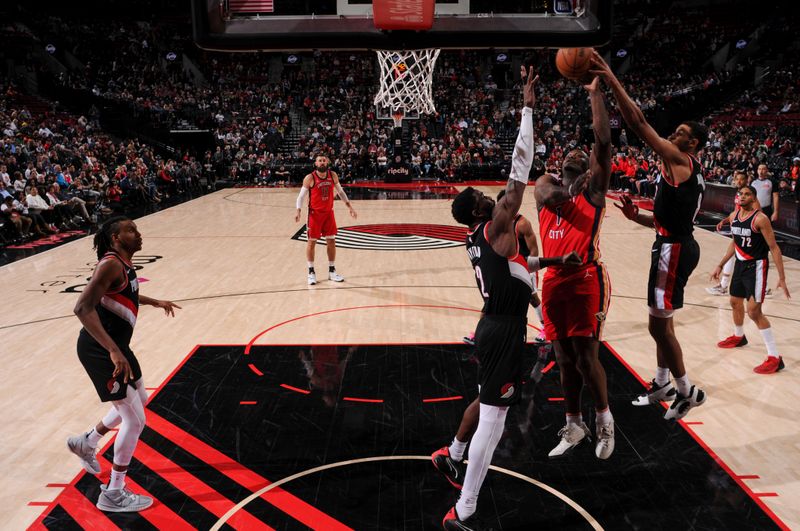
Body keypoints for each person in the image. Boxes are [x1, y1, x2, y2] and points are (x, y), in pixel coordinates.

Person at [439, 65, 538, 531]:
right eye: (481, 194)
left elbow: (514, 271)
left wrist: (552, 266)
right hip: (501, 329)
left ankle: (452, 454)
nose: (486, 193)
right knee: (494, 423)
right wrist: (527, 109)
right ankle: (465, 508)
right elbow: (519, 172)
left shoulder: (478, 239)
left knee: (487, 406)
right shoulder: (498, 225)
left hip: (494, 324)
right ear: (480, 209)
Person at [591, 51, 707, 421]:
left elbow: (639, 122)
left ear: (693, 147)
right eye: (677, 132)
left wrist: (611, 77)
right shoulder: (682, 167)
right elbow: (669, 219)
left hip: (674, 250)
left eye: (682, 135)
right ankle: (661, 383)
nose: (675, 135)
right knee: (663, 323)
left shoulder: (680, 161)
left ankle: (687, 391)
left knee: (658, 325)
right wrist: (636, 216)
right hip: (673, 242)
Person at [67, 217, 181, 512]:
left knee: (139, 400)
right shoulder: (110, 264)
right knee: (135, 420)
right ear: (116, 237)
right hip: (101, 349)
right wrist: (113, 351)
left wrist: (154, 301)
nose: (138, 233)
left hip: (118, 348)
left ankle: (87, 442)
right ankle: (113, 493)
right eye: (131, 230)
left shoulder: (123, 264)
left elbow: (124, 292)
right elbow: (82, 307)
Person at [534, 75, 615, 459]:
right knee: (563, 359)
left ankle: (603, 422)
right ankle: (573, 424)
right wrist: (572, 185)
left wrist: (596, 96)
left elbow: (602, 141)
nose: (574, 155)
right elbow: (545, 193)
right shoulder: (548, 187)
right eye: (569, 156)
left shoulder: (594, 193)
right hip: (553, 279)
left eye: (580, 156)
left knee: (586, 357)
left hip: (586, 278)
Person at [711, 185, 790, 374]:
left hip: (756, 267)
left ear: (754, 199)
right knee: (734, 301)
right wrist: (721, 264)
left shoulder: (760, 219)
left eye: (747, 194)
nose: (743, 196)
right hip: (740, 265)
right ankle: (739, 337)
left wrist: (782, 277)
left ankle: (775, 357)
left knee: (754, 312)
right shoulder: (733, 216)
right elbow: (734, 242)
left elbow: (774, 248)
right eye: (741, 194)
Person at [463, 189, 548, 346]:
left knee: (533, 298)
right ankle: (479, 330)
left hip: (524, 266)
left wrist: (529, 271)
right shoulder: (496, 223)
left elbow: (534, 249)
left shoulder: (522, 223)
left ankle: (546, 328)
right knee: (493, 298)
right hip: (508, 266)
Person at [294, 155, 357, 285]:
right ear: (315, 163)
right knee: (311, 243)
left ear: (327, 162)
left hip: (329, 213)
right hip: (314, 215)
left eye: (324, 160)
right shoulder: (310, 178)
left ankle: (332, 271)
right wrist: (298, 211)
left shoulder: (332, 175)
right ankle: (311, 272)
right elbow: (300, 197)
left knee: (331, 241)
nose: (322, 162)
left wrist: (350, 207)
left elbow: (341, 192)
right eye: (320, 161)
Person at [707, 170, 755, 296]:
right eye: (736, 179)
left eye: (741, 179)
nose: (738, 181)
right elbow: (736, 212)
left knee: (740, 257)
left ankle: (724, 285)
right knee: (734, 256)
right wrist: (725, 220)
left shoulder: (749, 194)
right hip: (738, 227)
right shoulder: (739, 194)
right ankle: (723, 285)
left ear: (746, 180)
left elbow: (757, 211)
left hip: (746, 230)